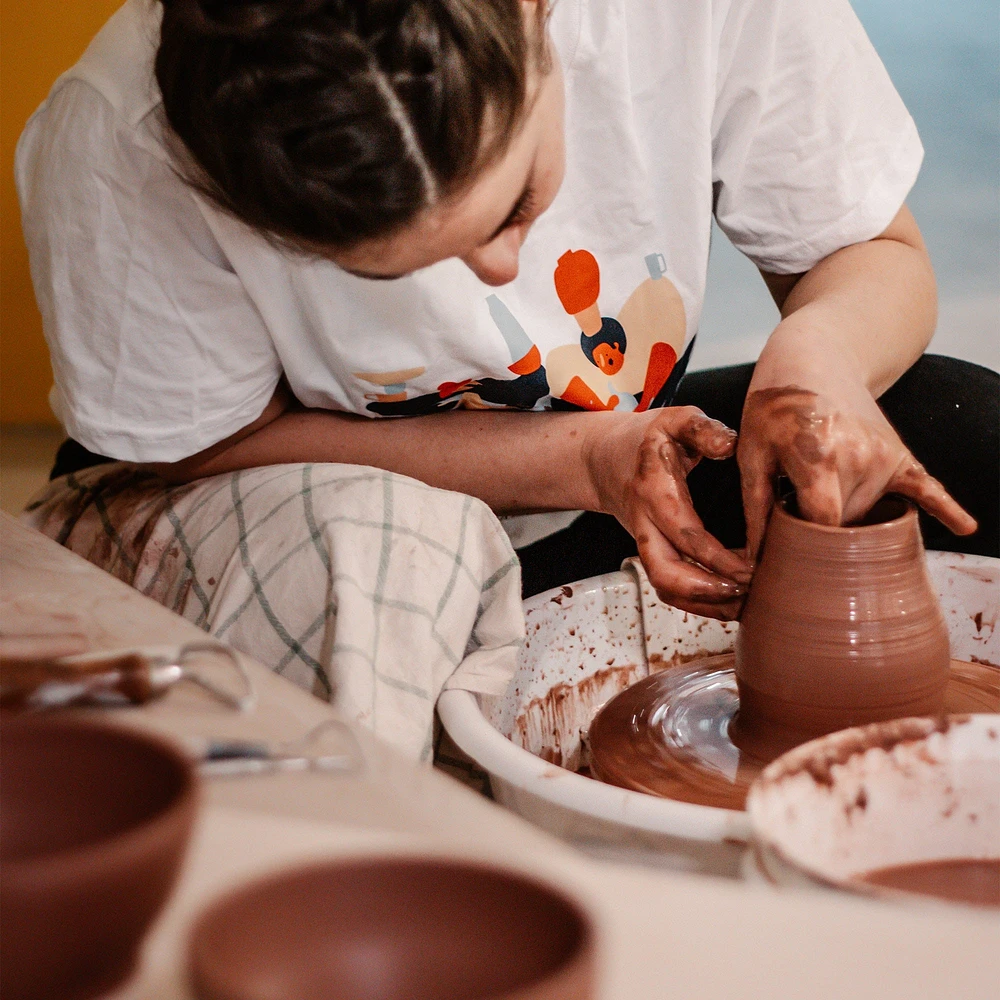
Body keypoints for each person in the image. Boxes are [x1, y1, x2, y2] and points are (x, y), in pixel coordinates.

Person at [16, 0, 999, 727]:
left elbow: (873, 256)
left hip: (584, 490)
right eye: (402, 267)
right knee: (393, 552)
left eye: (517, 201)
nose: (498, 272)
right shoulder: (128, 136)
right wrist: (573, 459)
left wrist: (814, 354)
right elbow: (206, 441)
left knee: (961, 429)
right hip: (278, 507)